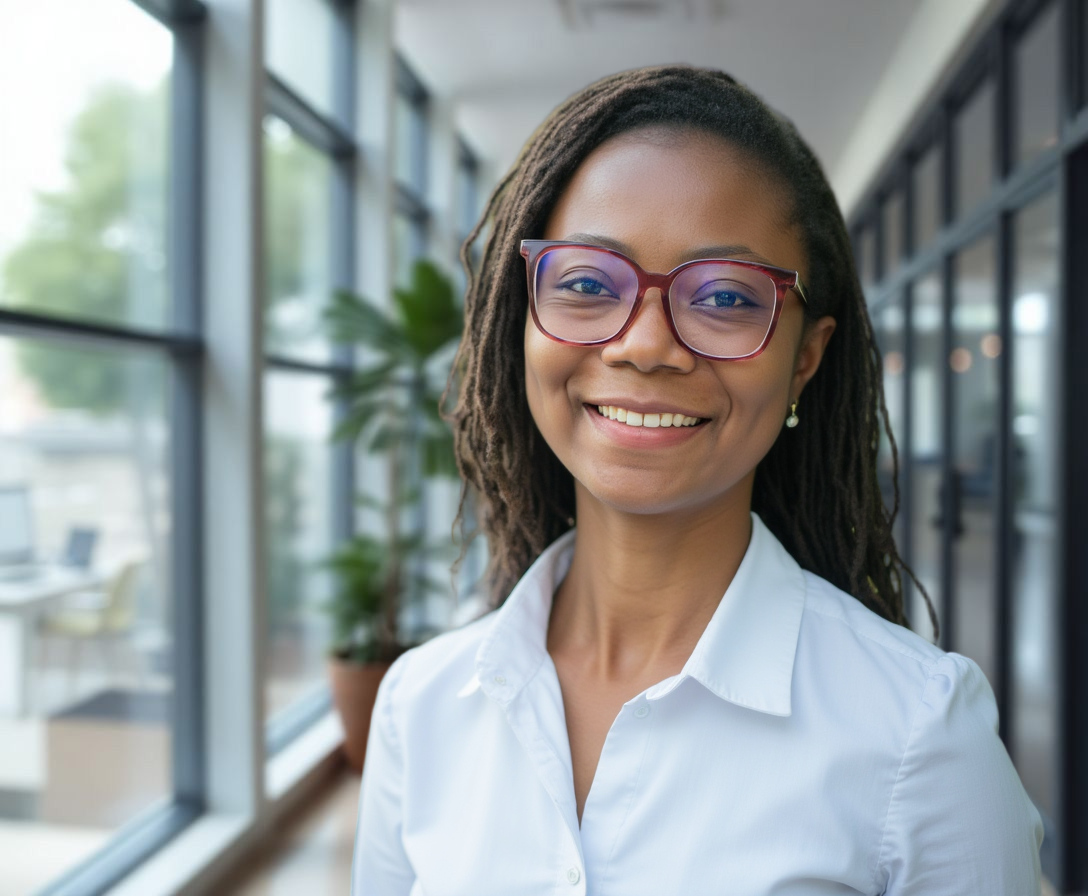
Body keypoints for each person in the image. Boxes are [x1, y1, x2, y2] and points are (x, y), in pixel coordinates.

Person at [352, 65, 1043, 895]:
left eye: (723, 295)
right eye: (583, 283)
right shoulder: (421, 707)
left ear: (805, 361)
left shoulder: (918, 733)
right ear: (521, 320)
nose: (644, 345)